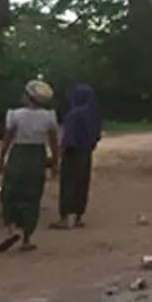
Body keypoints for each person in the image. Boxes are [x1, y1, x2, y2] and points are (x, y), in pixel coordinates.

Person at [0, 80, 60, 253]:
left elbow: (7, 139)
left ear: (28, 96)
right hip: (37, 157)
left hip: (18, 155)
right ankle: (26, 239)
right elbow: (54, 144)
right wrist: (55, 163)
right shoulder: (49, 117)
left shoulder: (15, 115)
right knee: (31, 196)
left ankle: (11, 229)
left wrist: (1, 160)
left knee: (10, 192)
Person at [50, 84, 101, 229]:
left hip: (73, 153)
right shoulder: (93, 115)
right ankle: (78, 217)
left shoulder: (73, 115)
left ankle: (65, 218)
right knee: (82, 184)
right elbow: (96, 136)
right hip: (86, 153)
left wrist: (58, 155)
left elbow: (68, 138)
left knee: (68, 184)